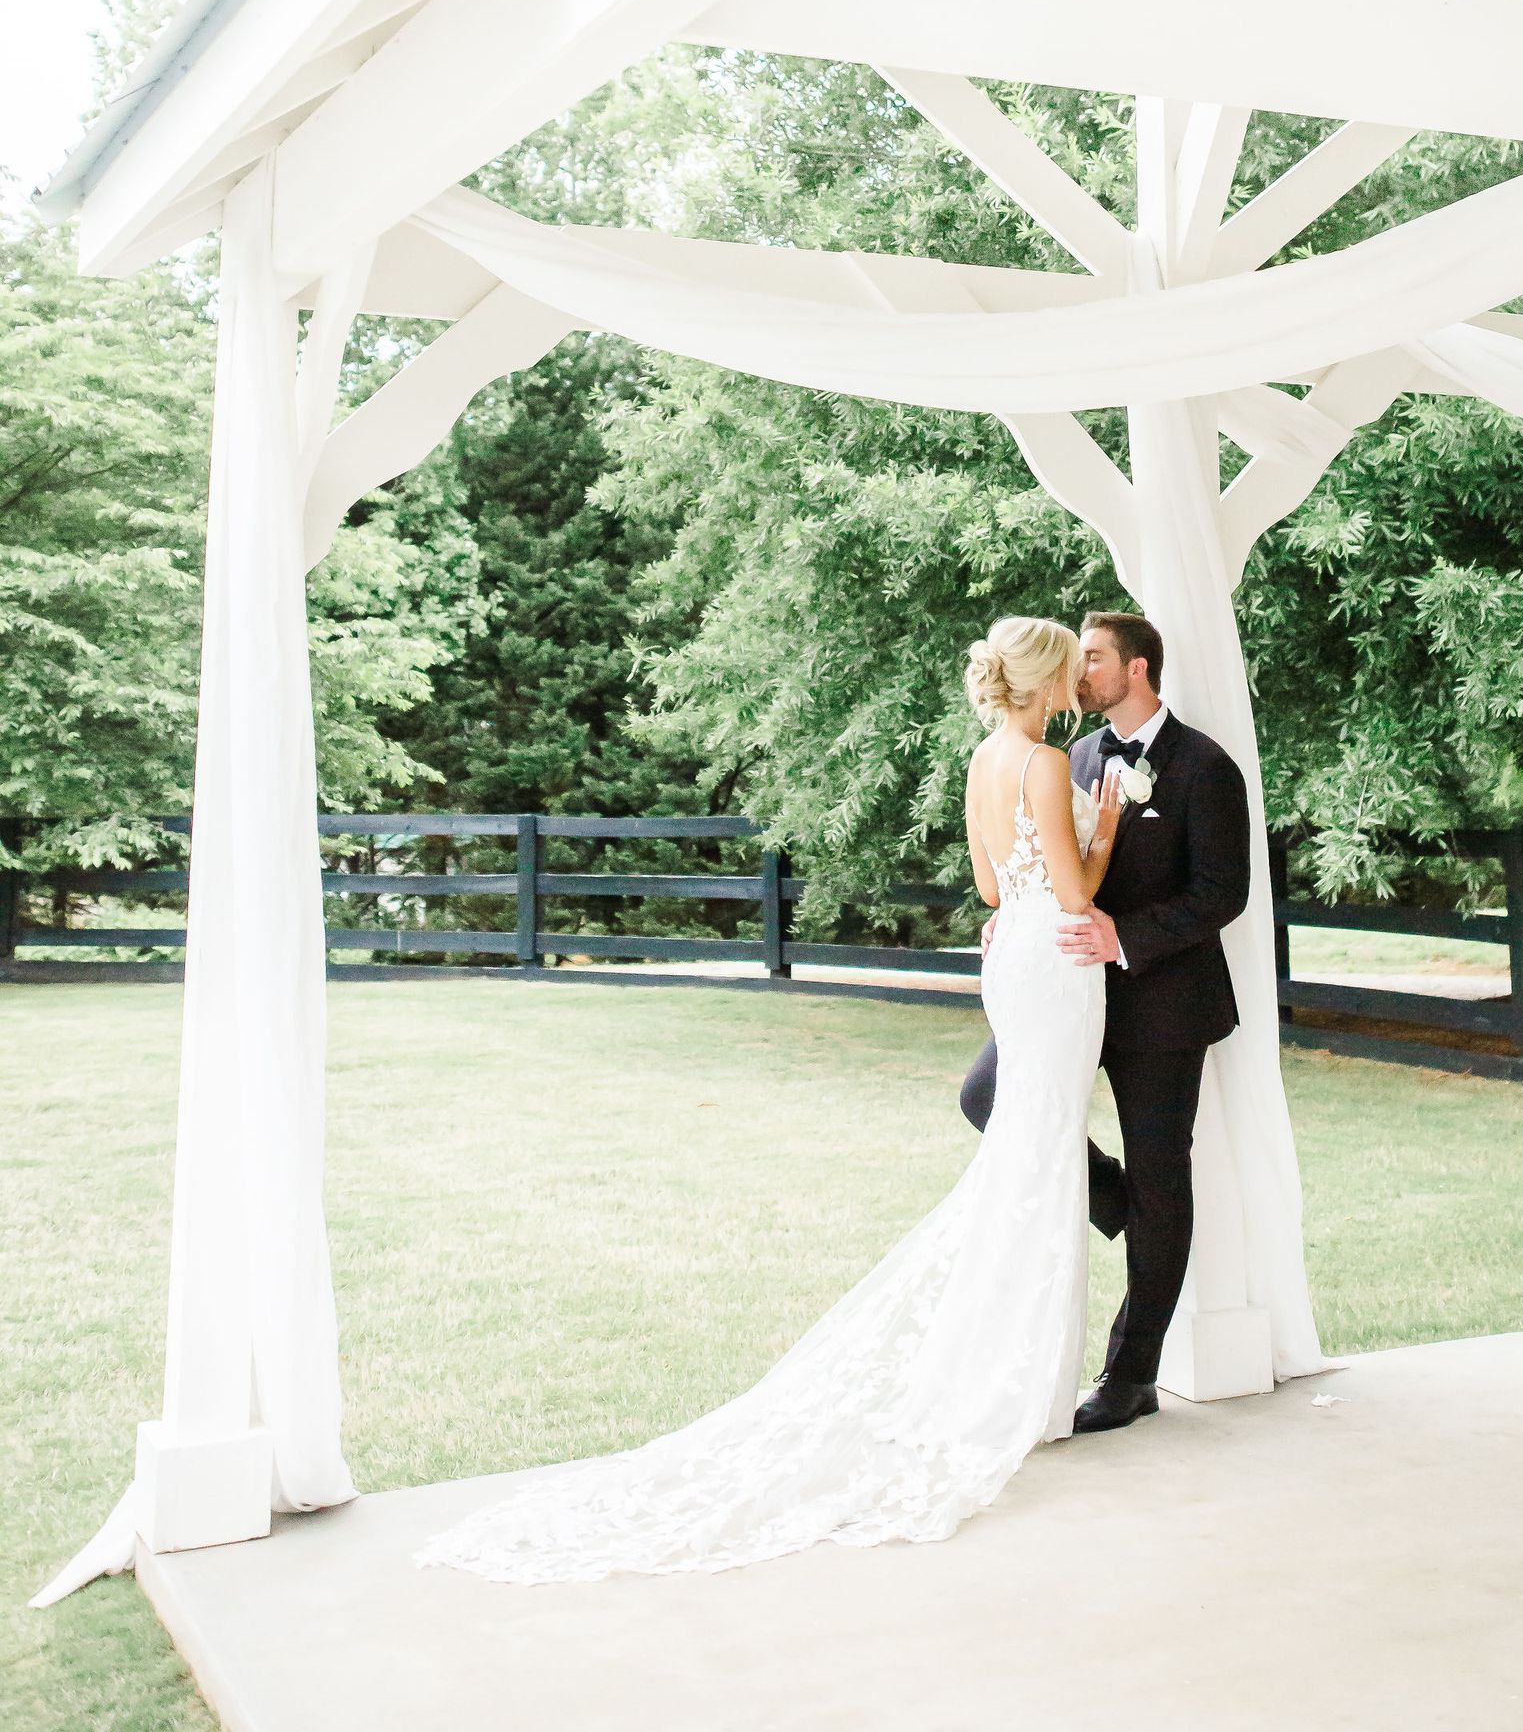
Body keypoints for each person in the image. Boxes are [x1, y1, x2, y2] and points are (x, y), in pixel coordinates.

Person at [415, 614, 1126, 1586]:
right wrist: (1110, 822)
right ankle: (1020, 1391)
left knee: (1031, 1158)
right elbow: (1075, 896)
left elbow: (992, 888)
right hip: (1057, 960)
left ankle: (1019, 1383)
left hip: (1012, 959)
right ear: (1048, 682)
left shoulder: (979, 762)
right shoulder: (1045, 764)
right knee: (1040, 1160)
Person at [959, 612, 1251, 1434]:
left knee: (1165, 1168)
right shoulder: (1073, 756)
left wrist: (1124, 937)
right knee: (986, 1097)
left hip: (1161, 1000)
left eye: (1094, 658)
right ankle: (1122, 1205)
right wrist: (1019, 909)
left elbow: (1221, 894)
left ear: (1139, 669)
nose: (1080, 672)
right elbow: (1045, 863)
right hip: (1065, 992)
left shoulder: (1204, 767)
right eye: (1075, 659)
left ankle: (1134, 1373)